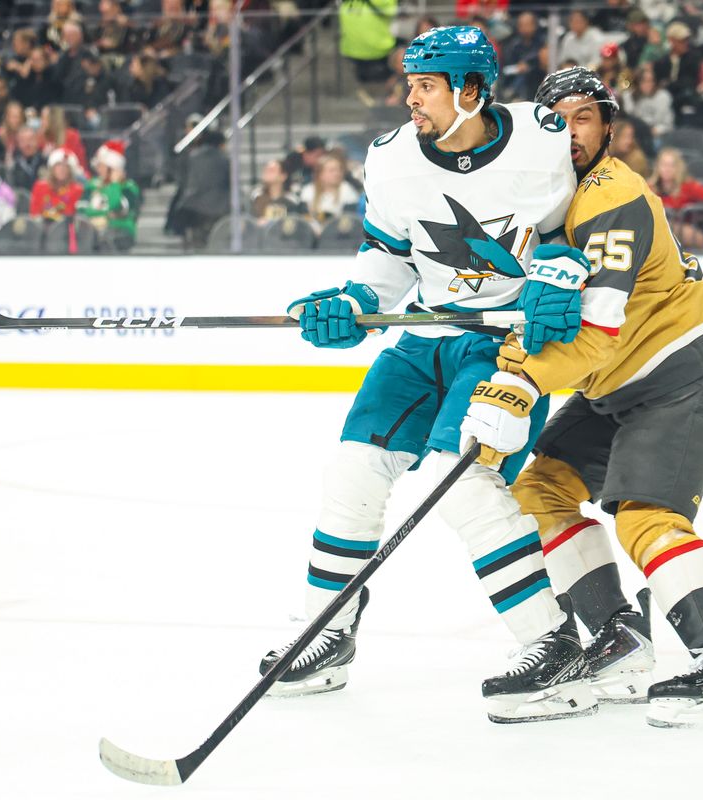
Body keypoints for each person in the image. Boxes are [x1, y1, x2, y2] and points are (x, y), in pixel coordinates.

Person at [259, 26, 593, 724]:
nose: (409, 99)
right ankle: (328, 628)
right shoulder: (390, 159)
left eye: (425, 86)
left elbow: (593, 225)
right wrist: (353, 301)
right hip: (423, 335)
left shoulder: (546, 137)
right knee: (352, 469)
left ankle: (554, 645)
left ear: (472, 90)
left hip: (504, 345)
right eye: (409, 83)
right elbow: (387, 257)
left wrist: (569, 268)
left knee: (459, 481)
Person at [461, 66, 703, 730]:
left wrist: (517, 383)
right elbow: (535, 316)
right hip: (619, 382)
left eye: (584, 118)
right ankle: (619, 637)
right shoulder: (542, 198)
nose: (570, 132)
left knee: (644, 519)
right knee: (538, 491)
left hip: (678, 367)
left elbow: (592, 334)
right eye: (556, 120)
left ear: (607, 127)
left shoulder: (611, 196)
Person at [77, 140, 140, 251]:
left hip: (119, 230)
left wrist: (114, 184)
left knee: (106, 238)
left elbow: (116, 208)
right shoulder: (92, 184)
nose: (98, 169)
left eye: (102, 166)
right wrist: (102, 215)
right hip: (92, 229)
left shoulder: (128, 188)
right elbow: (81, 208)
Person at [29, 147, 83, 220]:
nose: (62, 169)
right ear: (52, 168)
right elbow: (34, 214)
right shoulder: (40, 187)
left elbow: (70, 215)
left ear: (70, 171)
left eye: (66, 166)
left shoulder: (76, 190)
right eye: (58, 165)